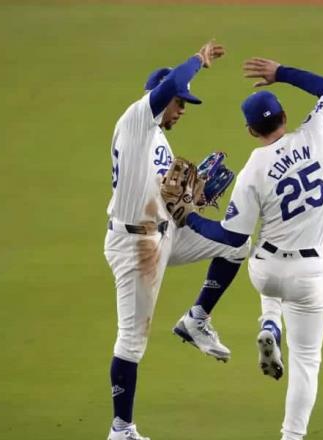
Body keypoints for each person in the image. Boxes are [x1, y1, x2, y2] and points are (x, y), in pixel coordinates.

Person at [180, 57, 323, 440]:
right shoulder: (317, 132)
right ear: (285, 115)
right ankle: (291, 436)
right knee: (306, 362)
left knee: (256, 246)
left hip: (266, 272)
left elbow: (231, 238)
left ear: (251, 131)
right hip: (310, 276)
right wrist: (282, 72)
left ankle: (270, 319)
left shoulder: (254, 168)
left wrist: (188, 215)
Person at [104, 40, 249, 440]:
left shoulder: (160, 139)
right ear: (159, 98)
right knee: (132, 342)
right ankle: (121, 429)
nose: (182, 108)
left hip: (166, 233)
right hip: (135, 247)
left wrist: (195, 195)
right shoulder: (135, 121)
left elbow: (170, 197)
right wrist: (198, 61)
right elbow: (169, 89)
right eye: (179, 102)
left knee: (237, 243)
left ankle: (197, 320)